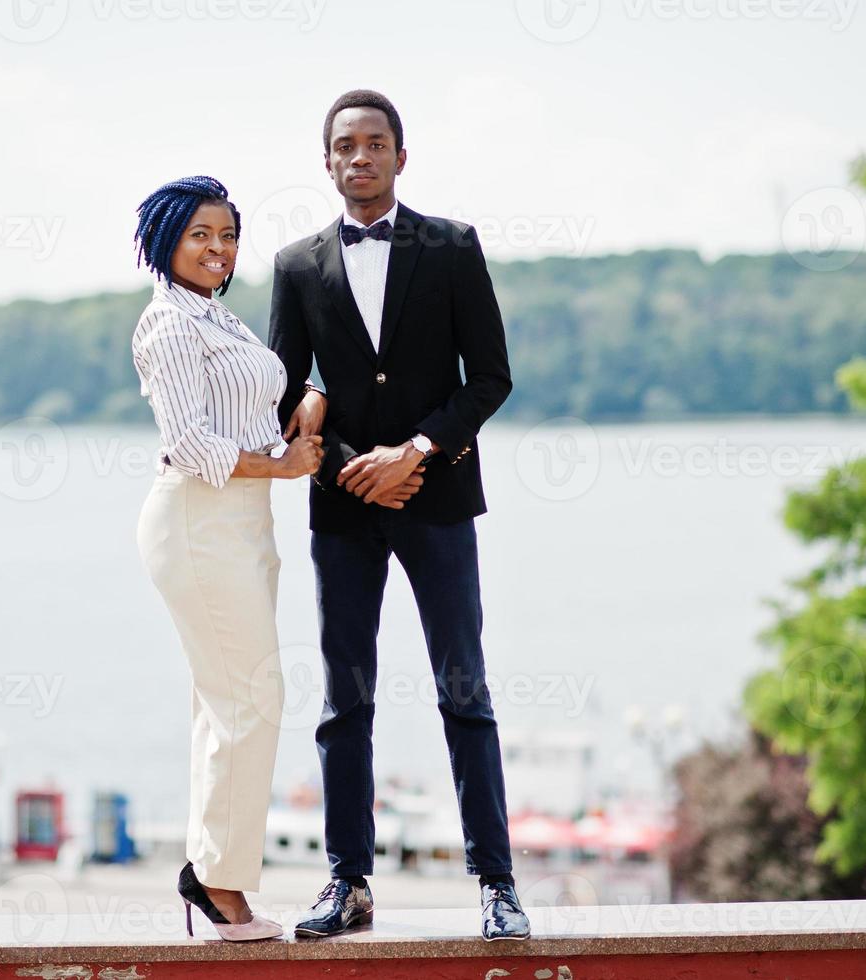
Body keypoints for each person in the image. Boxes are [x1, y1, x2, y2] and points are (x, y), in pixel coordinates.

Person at [268, 90, 531, 942]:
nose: (360, 157)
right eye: (345, 146)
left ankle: (495, 884)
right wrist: (353, 469)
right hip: (343, 510)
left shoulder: (451, 247)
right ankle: (347, 884)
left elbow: (488, 377)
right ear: (327, 162)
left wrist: (415, 452)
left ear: (400, 157)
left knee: (465, 688)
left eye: (375, 144)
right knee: (344, 696)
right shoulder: (296, 264)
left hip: (438, 496)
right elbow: (282, 393)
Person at [131, 175, 341, 942]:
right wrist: (283, 467)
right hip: (198, 521)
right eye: (199, 235)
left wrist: (305, 405)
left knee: (226, 700)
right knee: (253, 697)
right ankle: (216, 881)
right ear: (164, 240)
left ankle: (211, 867)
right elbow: (188, 444)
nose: (217, 249)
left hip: (242, 523)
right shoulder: (167, 325)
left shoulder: (217, 318)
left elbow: (254, 408)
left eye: (226, 236)